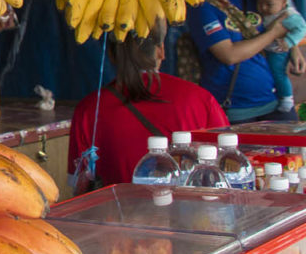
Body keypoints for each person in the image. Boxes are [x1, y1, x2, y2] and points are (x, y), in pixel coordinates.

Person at [68, 18, 228, 190]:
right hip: (191, 212)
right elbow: (227, 167)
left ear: (112, 56)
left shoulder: (90, 108)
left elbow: (78, 183)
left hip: (117, 214)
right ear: (161, 51)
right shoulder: (201, 99)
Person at [184, 0, 306, 122]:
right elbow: (228, 55)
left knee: (291, 152)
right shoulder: (201, 7)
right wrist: (274, 33)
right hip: (234, 110)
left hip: (275, 103)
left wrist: (294, 47)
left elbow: (286, 19)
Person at [257, 0, 306, 113]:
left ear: (284, 2)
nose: (263, 8)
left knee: (278, 73)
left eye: (269, 4)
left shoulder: (288, 15)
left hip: (278, 50)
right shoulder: (272, 10)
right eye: (260, 3)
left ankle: (287, 99)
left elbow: (302, 28)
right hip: (268, 48)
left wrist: (290, 42)